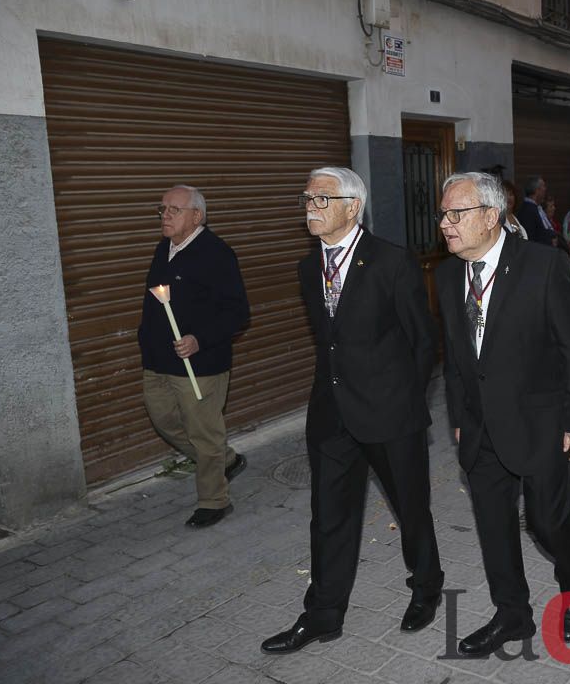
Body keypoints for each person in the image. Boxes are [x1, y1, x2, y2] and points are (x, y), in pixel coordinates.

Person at [262, 168, 443, 655]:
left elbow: (423, 340)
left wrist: (408, 403)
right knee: (329, 518)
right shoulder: (307, 268)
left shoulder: (390, 260)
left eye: (321, 199)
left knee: (411, 510)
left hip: (391, 413)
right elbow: (331, 346)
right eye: (307, 197)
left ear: (352, 206)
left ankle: (426, 589)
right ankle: (323, 615)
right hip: (331, 414)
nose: (309, 206)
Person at [435, 171, 570, 656]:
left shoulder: (542, 265)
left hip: (541, 425)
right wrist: (460, 418)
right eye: (443, 214)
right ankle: (513, 616)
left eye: (456, 213)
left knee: (547, 523)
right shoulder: (446, 275)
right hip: (481, 430)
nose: (446, 224)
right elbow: (456, 356)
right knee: (493, 527)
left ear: (490, 216)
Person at [139, 185, 249, 529]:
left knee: (204, 433)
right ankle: (224, 460)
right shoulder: (164, 249)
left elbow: (238, 313)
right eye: (163, 209)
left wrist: (200, 340)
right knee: (164, 421)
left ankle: (214, 500)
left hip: (199, 364)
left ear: (197, 216)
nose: (165, 215)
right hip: (159, 360)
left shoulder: (216, 254)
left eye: (174, 209)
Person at [518, 176, 558, 246]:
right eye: (543, 186)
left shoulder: (536, 208)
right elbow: (531, 236)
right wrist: (549, 240)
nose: (545, 189)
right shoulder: (528, 210)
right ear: (537, 190)